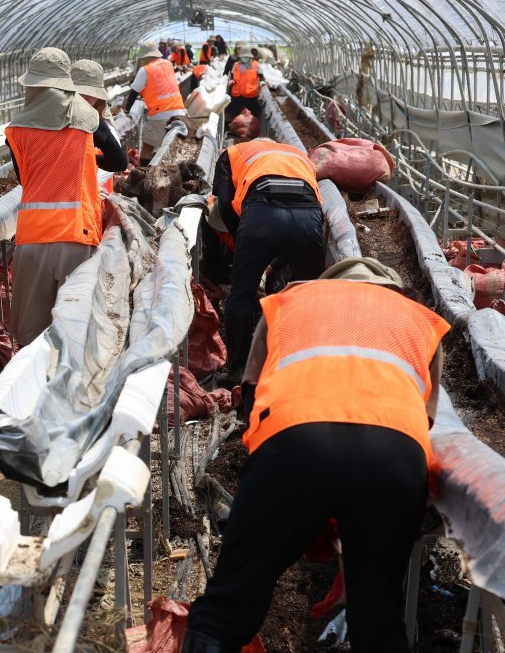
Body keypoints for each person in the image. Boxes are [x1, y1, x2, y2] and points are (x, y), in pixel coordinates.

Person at [182, 257, 449, 653]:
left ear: (327, 282)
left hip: (293, 440)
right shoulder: (421, 321)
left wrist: (287, 489)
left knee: (227, 608)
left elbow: (251, 392)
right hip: (392, 454)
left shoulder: (289, 303)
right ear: (391, 290)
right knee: (378, 623)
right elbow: (423, 421)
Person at [4, 48, 104, 346]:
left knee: (32, 335)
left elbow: (25, 179)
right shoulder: (88, 121)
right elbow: (118, 161)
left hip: (32, 238)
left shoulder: (17, 129)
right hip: (77, 234)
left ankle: (31, 386)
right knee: (76, 329)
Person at [212, 137, 324, 384]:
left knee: (241, 294)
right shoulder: (297, 155)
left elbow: (224, 204)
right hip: (307, 215)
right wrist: (276, 263)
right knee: (307, 294)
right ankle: (301, 367)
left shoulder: (231, 153)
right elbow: (308, 220)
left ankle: (238, 372)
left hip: (260, 212)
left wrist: (241, 244)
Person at [123, 42, 188, 161]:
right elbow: (160, 86)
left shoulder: (145, 70)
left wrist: (126, 110)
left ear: (144, 57)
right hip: (179, 112)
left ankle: (143, 174)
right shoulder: (168, 64)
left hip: (160, 115)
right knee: (171, 147)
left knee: (147, 147)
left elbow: (133, 93)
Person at [69, 58, 130, 175]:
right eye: (82, 92)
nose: (87, 96)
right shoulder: (95, 119)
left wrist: (84, 159)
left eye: (92, 92)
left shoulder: (98, 122)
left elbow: (119, 162)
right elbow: (119, 163)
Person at [226, 47, 264, 123]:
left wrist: (262, 83)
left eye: (246, 57)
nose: (245, 59)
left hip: (251, 94)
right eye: (243, 57)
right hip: (237, 94)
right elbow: (232, 76)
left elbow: (261, 77)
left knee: (254, 114)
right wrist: (231, 81)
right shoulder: (236, 65)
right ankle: (232, 127)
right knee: (233, 112)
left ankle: (254, 129)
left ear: (250, 57)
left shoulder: (256, 65)